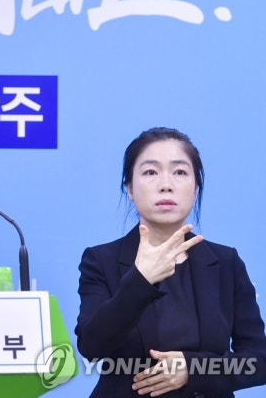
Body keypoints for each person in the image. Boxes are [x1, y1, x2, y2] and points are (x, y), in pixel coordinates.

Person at [75, 127, 266, 397]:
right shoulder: (100, 260)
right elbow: (91, 347)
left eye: (180, 172)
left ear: (195, 188)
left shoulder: (226, 262)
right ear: (129, 188)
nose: (166, 184)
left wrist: (195, 369)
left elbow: (259, 361)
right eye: (150, 172)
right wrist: (140, 280)